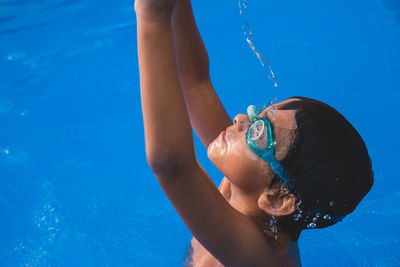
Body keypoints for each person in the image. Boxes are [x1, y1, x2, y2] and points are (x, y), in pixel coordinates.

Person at [134, 0, 374, 266]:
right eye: (258, 112)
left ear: (279, 197)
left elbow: (172, 165)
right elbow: (194, 81)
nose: (240, 119)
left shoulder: (258, 254)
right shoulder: (245, 182)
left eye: (259, 129)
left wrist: (151, 15)